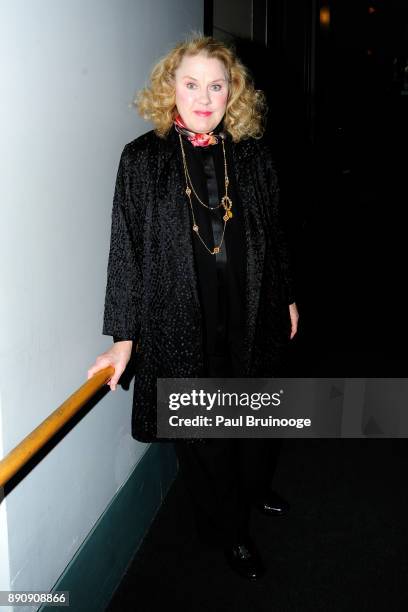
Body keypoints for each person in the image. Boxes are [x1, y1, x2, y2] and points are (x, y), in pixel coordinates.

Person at [87, 35, 299, 581]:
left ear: (234, 93)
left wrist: (289, 295)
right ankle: (229, 529)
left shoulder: (252, 154)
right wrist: (123, 338)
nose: (203, 97)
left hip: (251, 306)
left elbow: (276, 233)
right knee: (204, 436)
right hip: (181, 312)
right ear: (170, 88)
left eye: (216, 85)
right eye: (190, 84)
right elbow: (125, 247)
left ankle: (252, 486)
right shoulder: (141, 158)